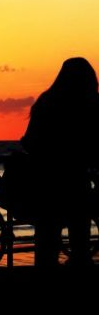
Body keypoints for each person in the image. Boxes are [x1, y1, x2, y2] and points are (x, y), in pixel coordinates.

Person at [21, 57, 99, 269]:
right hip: (76, 181)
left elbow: (29, 142)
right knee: (80, 241)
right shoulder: (90, 104)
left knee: (46, 240)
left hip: (46, 182)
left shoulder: (46, 102)